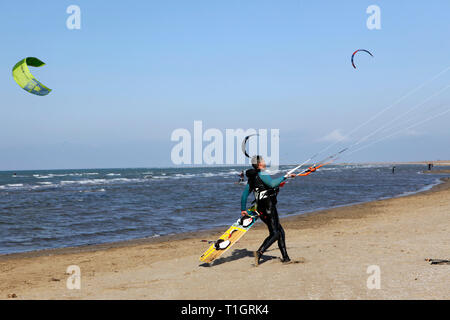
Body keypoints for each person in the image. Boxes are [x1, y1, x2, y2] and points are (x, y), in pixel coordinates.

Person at [240, 155, 296, 266]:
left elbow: (244, 195)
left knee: (280, 232)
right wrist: (285, 176)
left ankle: (285, 258)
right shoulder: (262, 173)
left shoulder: (252, 179)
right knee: (275, 233)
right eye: (263, 161)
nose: (265, 162)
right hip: (269, 208)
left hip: (260, 210)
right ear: (259, 164)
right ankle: (260, 252)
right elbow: (272, 184)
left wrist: (243, 209)